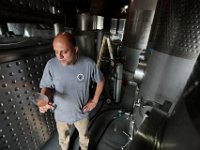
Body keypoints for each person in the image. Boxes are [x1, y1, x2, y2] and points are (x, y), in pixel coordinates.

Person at [38, 32, 105, 150]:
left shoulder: (88, 64)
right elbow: (47, 87)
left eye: (64, 51)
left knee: (84, 136)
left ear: (75, 49)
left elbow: (101, 81)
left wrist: (94, 101)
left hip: (81, 113)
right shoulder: (51, 65)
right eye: (56, 51)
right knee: (63, 138)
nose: (59, 56)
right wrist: (43, 99)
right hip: (60, 113)